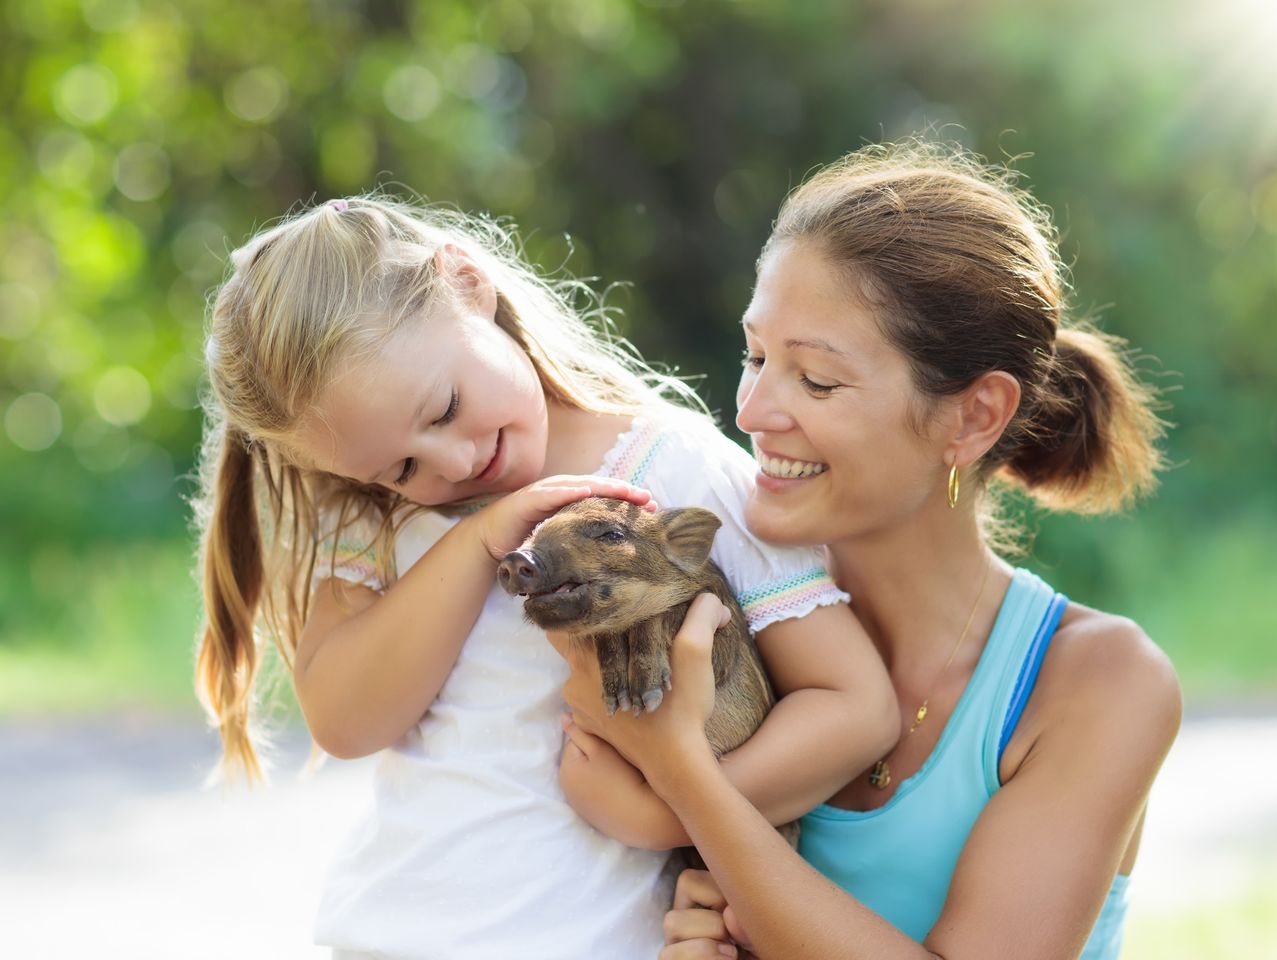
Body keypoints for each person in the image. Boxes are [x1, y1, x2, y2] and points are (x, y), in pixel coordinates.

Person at [191, 196, 899, 959]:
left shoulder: (673, 469)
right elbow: (346, 720)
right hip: (391, 937)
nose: (453, 464)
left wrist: (672, 809)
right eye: (402, 466)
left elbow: (855, 709)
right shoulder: (380, 518)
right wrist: (477, 544)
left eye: (447, 408)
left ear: (467, 283)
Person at [557, 142, 1182, 960]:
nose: (750, 411)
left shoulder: (1099, 684)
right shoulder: (715, 624)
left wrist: (684, 784)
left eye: (815, 381)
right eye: (754, 357)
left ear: (974, 416)